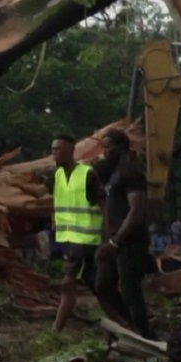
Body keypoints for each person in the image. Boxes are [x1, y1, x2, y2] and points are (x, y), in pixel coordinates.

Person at [94, 129, 153, 339]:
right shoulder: (113, 174)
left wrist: (116, 242)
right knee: (102, 286)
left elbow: (136, 212)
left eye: (109, 147)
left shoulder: (131, 172)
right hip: (113, 240)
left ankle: (146, 337)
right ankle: (129, 327)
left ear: (121, 147)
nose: (105, 152)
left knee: (130, 292)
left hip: (129, 242)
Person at [49, 133, 104, 332]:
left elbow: (103, 204)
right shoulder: (57, 175)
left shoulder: (88, 174)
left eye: (58, 150)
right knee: (94, 284)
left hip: (86, 239)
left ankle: (56, 330)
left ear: (71, 151)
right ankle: (123, 319)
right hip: (69, 238)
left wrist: (109, 237)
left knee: (67, 282)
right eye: (53, 149)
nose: (54, 154)